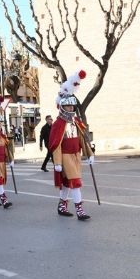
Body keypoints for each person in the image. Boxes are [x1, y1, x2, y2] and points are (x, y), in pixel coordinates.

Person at [48, 70, 94, 221]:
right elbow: (55, 145)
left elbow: (82, 139)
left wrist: (89, 154)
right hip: (65, 156)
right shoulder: (58, 124)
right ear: (62, 107)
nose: (70, 109)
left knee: (68, 183)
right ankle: (80, 210)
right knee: (75, 182)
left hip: (76, 155)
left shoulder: (75, 122)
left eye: (72, 107)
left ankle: (62, 206)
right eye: (67, 107)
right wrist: (58, 162)